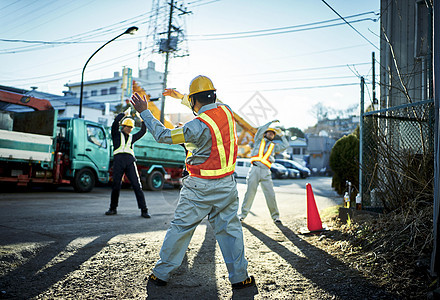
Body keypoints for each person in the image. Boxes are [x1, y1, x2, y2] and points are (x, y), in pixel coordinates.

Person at [130, 75, 255, 289]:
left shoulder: (194, 126)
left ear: (195, 101)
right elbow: (203, 107)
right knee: (231, 230)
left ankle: (160, 274)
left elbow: (162, 135)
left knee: (181, 228)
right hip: (226, 185)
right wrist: (179, 96)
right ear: (214, 95)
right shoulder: (227, 111)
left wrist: (144, 111)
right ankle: (240, 278)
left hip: (199, 187)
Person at [238, 121, 289, 223]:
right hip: (255, 169)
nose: (271, 134)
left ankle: (275, 217)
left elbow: (286, 145)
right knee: (250, 193)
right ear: (265, 134)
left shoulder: (274, 146)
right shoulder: (258, 140)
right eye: (269, 132)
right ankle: (242, 215)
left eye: (273, 134)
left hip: (266, 171)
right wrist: (269, 124)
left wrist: (281, 134)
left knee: (270, 194)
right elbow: (260, 130)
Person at [105, 110, 151, 218]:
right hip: (118, 161)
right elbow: (115, 123)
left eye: (131, 128)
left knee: (137, 185)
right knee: (116, 185)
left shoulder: (132, 137)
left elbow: (143, 131)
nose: (129, 129)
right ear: (123, 126)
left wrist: (142, 119)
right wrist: (123, 115)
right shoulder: (116, 134)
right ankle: (113, 209)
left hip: (130, 162)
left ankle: (144, 210)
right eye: (127, 127)